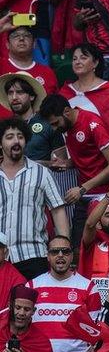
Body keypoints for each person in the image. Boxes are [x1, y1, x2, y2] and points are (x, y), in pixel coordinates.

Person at [38, 94, 109, 248]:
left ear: (66, 111)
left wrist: (83, 188)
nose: (55, 128)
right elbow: (88, 155)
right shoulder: (68, 127)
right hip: (85, 194)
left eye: (56, 123)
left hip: (106, 194)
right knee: (78, 247)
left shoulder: (93, 124)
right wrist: (68, 163)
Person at [0, 117, 70, 279]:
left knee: (34, 304)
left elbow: (58, 210)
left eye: (20, 136)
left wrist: (63, 247)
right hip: (1, 256)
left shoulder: (41, 172)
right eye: (9, 137)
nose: (16, 141)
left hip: (33, 255)